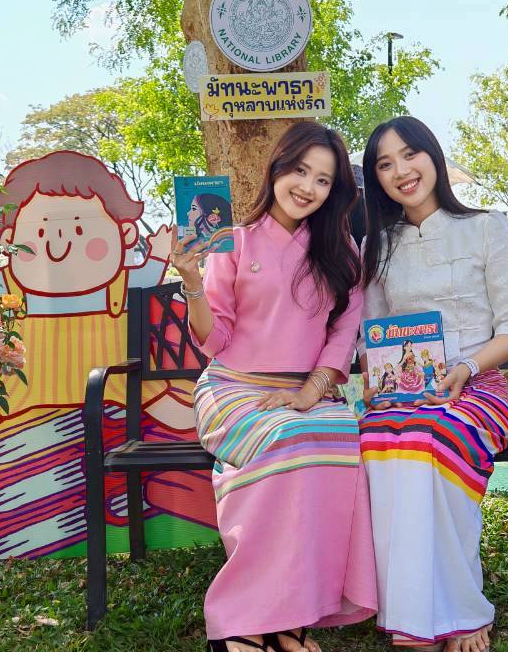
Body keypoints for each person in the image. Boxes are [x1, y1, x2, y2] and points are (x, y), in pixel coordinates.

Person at [172, 121, 376, 652]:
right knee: (288, 438)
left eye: (324, 180)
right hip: (233, 389)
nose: (308, 187)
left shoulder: (341, 251)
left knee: (339, 439)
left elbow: (344, 334)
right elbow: (213, 340)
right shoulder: (233, 242)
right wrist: (192, 282)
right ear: (277, 169)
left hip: (309, 391)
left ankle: (291, 617)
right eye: (300, 171)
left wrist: (310, 392)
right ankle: (243, 624)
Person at [359, 116, 508, 652]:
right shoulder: (377, 245)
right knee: (375, 439)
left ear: (432, 155)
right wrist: (374, 377)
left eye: (409, 154)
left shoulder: (486, 227)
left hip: (477, 386)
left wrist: (467, 369)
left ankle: (460, 608)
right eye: (385, 164)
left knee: (431, 437)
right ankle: (409, 613)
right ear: (375, 178)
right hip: (404, 390)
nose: (401, 171)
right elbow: (371, 334)